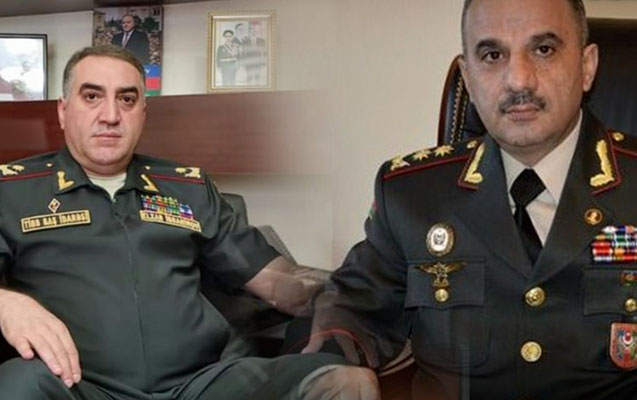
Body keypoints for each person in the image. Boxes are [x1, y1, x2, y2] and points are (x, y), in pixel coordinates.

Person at [0, 45, 379, 400]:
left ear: (143, 113)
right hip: (76, 388)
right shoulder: (12, 190)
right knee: (18, 381)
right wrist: (6, 303)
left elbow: (278, 281)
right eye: (92, 96)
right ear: (63, 110)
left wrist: (360, 292)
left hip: (199, 387)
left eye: (127, 99)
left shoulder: (187, 187)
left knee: (344, 379)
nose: (111, 115)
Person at [305, 0, 637, 398]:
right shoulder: (411, 194)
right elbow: (352, 306)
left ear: (587, 66)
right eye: (493, 55)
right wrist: (333, 368)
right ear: (468, 76)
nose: (518, 80)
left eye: (543, 49)